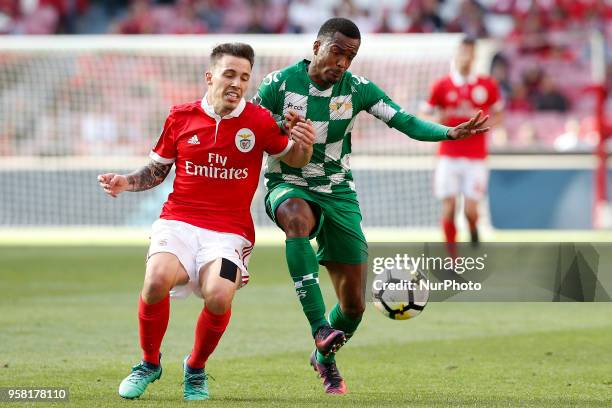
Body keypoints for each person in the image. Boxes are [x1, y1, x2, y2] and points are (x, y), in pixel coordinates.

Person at [253, 18, 489, 395]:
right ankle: (319, 329)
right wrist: (281, 125)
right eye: (337, 52)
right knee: (295, 218)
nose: (343, 63)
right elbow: (248, 127)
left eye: (350, 56)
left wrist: (448, 132)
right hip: (289, 183)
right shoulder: (278, 84)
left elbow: (404, 120)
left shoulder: (358, 90)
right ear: (316, 48)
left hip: (338, 191)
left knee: (355, 306)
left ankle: (324, 357)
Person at [97, 43, 315, 401]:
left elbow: (294, 158)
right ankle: (149, 363)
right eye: (229, 74)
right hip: (179, 221)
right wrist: (126, 181)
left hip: (228, 233)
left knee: (218, 294)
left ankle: (195, 368)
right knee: (156, 280)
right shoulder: (180, 116)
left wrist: (304, 146)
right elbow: (156, 170)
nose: (237, 83)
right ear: (210, 77)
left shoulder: (259, 121)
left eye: (244, 77)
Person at [421, 36, 502, 257]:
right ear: (456, 55)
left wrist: (486, 125)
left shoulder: (487, 85)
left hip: (476, 156)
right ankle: (452, 257)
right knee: (449, 207)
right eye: (462, 51)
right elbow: (424, 115)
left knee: (470, 211)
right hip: (448, 155)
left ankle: (474, 228)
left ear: (475, 56)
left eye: (470, 52)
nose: (466, 57)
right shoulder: (441, 85)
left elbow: (499, 114)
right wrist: (440, 120)